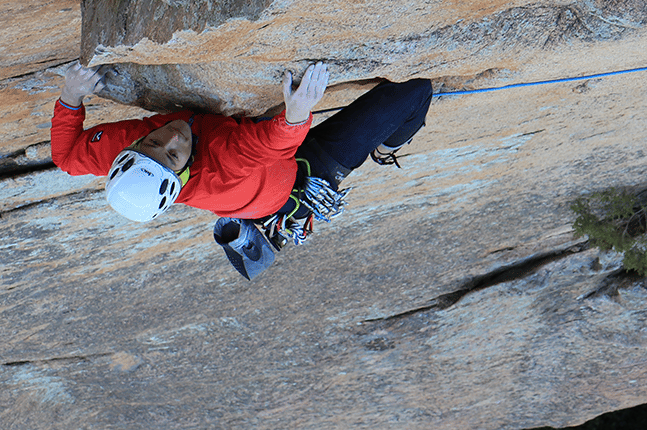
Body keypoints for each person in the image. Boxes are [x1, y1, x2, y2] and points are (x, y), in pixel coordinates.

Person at [51, 62, 433, 276]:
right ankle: (387, 147)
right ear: (181, 176)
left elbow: (66, 156)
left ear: (131, 147)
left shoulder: (125, 155)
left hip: (260, 186)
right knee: (415, 95)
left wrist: (71, 95)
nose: (171, 138)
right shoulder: (224, 164)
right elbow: (271, 144)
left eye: (152, 142)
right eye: (172, 156)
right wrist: (297, 112)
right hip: (303, 179)